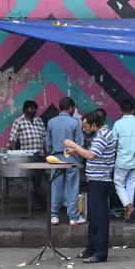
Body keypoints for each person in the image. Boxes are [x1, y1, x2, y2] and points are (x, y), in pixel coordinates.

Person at [64, 112, 116, 263]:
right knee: (93, 218)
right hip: (95, 180)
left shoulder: (102, 135)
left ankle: (100, 253)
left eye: (86, 127)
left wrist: (74, 145)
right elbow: (93, 152)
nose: (85, 130)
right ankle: (91, 249)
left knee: (99, 218)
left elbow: (91, 156)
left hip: (100, 181)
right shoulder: (101, 134)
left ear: (94, 125)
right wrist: (75, 151)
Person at [45, 96, 86, 226]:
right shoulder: (75, 123)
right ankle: (73, 217)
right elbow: (80, 144)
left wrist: (52, 154)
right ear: (70, 108)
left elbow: (48, 144)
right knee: (72, 188)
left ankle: (54, 216)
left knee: (56, 188)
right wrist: (79, 158)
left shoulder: (51, 122)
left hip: (56, 159)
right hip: (72, 159)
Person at [8, 100, 48, 208]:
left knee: (37, 180)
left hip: (39, 155)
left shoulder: (39, 121)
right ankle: (44, 201)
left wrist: (46, 154)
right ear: (25, 110)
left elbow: (44, 139)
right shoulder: (19, 121)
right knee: (32, 180)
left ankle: (36, 203)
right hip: (27, 157)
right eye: (31, 109)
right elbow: (12, 139)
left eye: (34, 109)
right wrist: (16, 153)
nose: (33, 111)